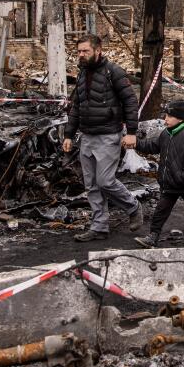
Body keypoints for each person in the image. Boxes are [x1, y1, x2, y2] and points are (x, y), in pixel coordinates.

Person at [63, 35, 144, 242]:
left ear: (98, 50)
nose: (81, 55)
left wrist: (132, 132)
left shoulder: (113, 72)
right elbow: (77, 107)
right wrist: (69, 135)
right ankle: (99, 226)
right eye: (79, 51)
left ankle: (133, 207)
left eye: (85, 51)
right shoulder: (82, 74)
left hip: (109, 135)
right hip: (87, 136)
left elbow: (130, 101)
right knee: (91, 184)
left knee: (105, 181)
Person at [133, 100, 184, 248]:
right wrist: (135, 142)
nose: (165, 119)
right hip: (169, 183)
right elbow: (151, 146)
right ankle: (153, 237)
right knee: (160, 210)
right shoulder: (165, 134)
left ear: (180, 118)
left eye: (169, 116)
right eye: (166, 115)